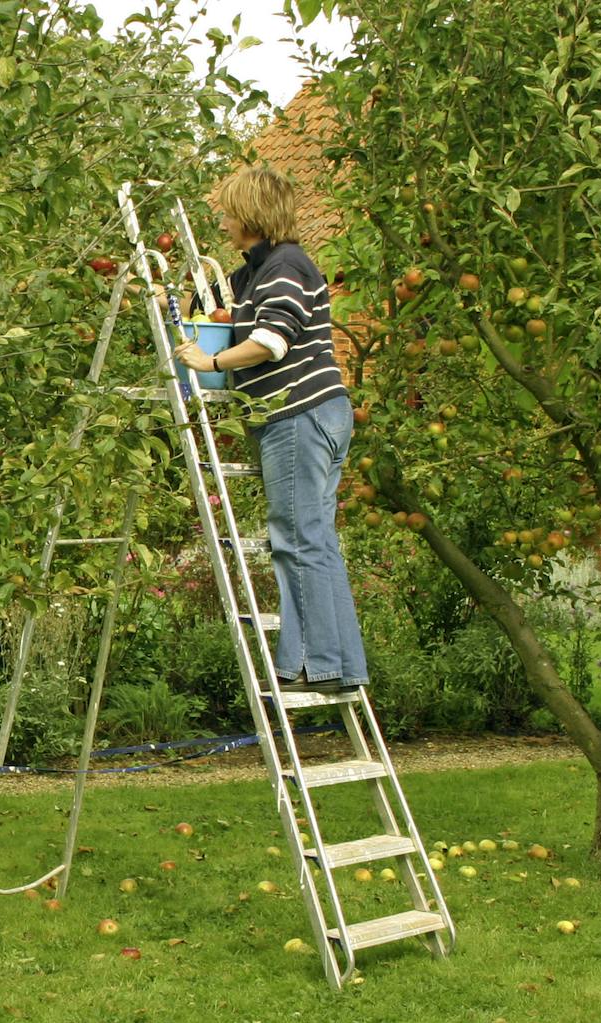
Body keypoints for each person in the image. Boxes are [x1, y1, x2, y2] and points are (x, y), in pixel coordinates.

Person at [170, 165, 367, 691]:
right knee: (316, 541)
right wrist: (180, 294)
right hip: (315, 412)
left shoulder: (286, 265)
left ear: (251, 215)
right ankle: (340, 666)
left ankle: (314, 664)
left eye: (231, 211)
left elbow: (271, 341)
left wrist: (210, 365)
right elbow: (208, 306)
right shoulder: (260, 271)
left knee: (296, 542)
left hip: (298, 414)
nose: (225, 221)